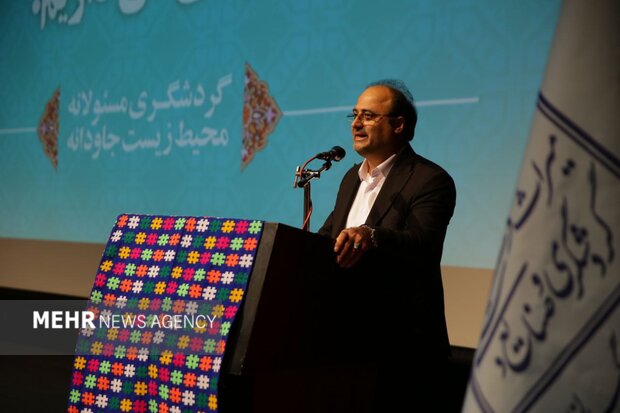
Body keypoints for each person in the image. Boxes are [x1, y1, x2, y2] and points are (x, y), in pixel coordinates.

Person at [318, 79, 456, 410]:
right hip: (346, 343)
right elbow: (329, 236)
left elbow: (423, 244)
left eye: (368, 116)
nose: (356, 123)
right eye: (354, 115)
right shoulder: (351, 178)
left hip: (401, 349)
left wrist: (372, 235)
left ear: (399, 125)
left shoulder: (430, 179)